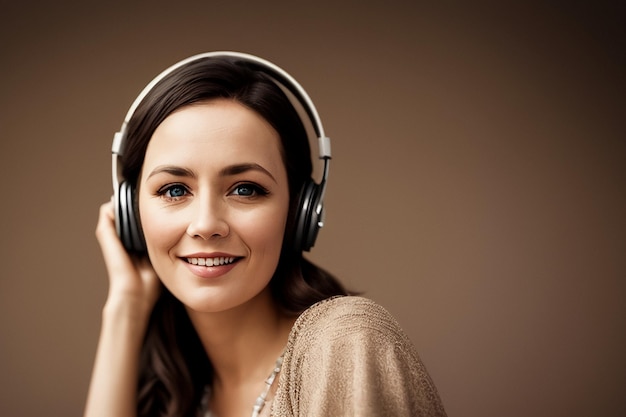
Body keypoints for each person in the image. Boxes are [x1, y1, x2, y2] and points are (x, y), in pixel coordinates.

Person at [84, 51, 447, 417]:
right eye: (175, 190)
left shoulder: (344, 341)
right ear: (130, 210)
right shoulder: (185, 390)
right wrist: (125, 308)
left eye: (245, 189)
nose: (206, 225)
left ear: (299, 210)